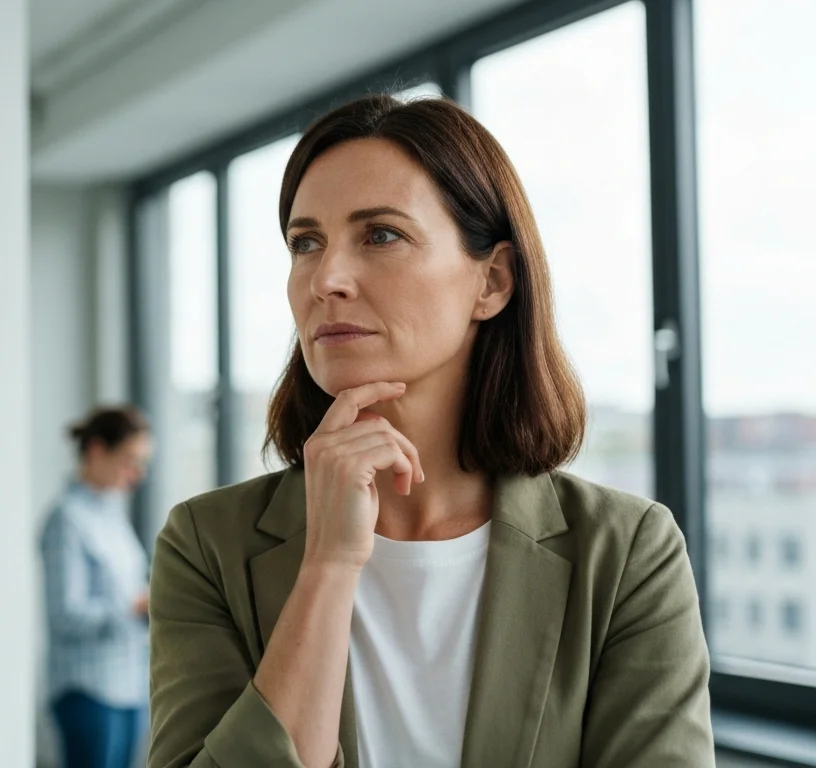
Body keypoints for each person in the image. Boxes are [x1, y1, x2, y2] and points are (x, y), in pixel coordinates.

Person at [147, 94, 713, 768]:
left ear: (493, 281)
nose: (327, 277)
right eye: (306, 242)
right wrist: (328, 566)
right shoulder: (207, 546)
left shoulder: (625, 554)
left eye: (380, 234)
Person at [42, 405, 156, 768]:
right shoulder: (67, 520)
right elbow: (65, 615)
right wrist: (134, 610)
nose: (136, 474)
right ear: (95, 451)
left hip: (127, 685)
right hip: (87, 690)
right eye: (129, 460)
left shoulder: (112, 514)